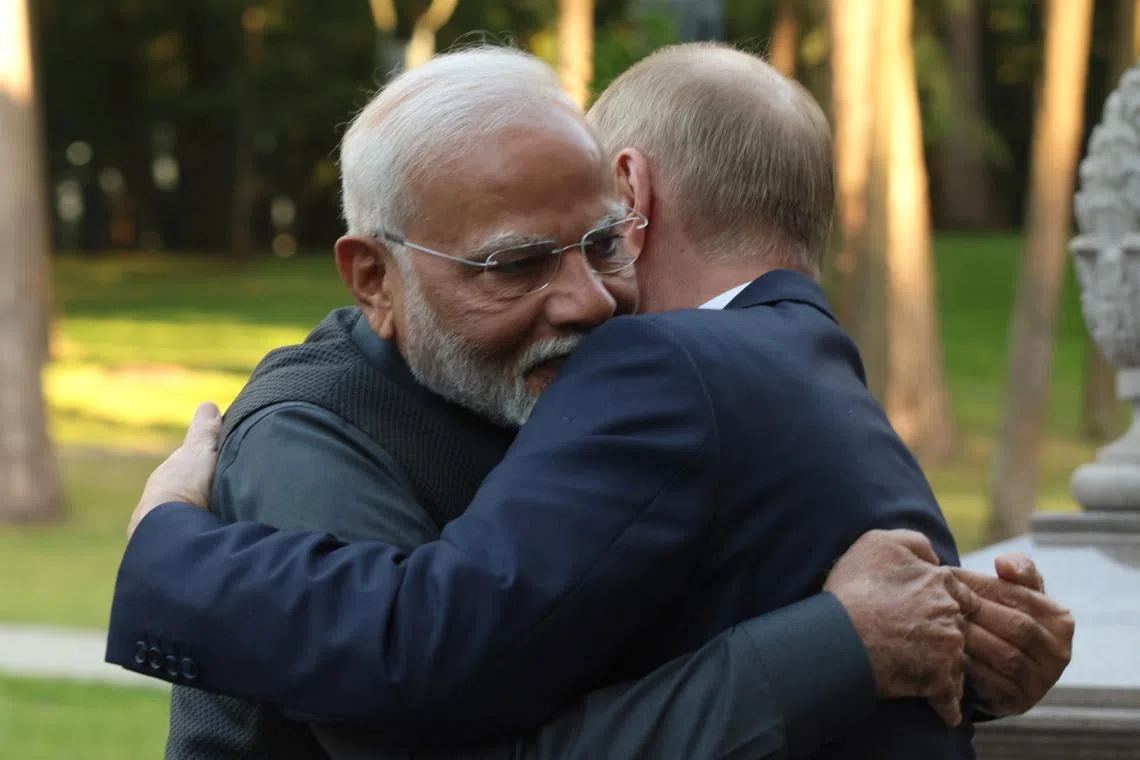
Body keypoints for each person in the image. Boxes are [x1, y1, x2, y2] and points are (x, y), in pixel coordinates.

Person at [108, 44, 1074, 759]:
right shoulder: (315, 432)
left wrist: (957, 647)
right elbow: (424, 692)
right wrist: (167, 545)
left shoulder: (592, 384)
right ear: (372, 278)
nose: (590, 300)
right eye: (515, 263)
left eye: (604, 245)